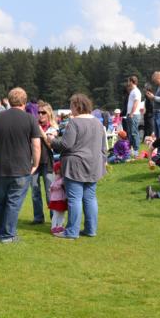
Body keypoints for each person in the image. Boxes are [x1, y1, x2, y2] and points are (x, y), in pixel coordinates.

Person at [47, 93, 107, 239]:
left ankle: (72, 231)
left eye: (71, 106)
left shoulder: (74, 123)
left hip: (75, 167)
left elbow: (66, 145)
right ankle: (90, 229)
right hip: (94, 166)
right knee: (90, 198)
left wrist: (52, 141)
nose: (70, 109)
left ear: (77, 106)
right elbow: (103, 148)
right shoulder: (98, 123)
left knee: (74, 199)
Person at [0, 87, 41, 243]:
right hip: (21, 167)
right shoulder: (30, 119)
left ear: (9, 100)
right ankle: (8, 235)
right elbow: (36, 145)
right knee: (13, 202)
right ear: (24, 101)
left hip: (0, 166)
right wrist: (35, 164)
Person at [30, 103, 58, 225]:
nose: (40, 115)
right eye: (39, 112)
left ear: (49, 114)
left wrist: (40, 130)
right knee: (35, 191)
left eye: (43, 112)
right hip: (33, 162)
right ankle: (38, 217)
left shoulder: (53, 128)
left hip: (47, 162)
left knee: (49, 191)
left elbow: (50, 144)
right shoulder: (33, 126)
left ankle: (54, 218)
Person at [48, 161, 67, 235]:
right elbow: (53, 186)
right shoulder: (58, 178)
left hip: (62, 199)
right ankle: (53, 227)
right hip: (57, 200)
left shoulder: (61, 178)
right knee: (56, 214)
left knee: (61, 213)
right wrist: (62, 181)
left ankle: (60, 226)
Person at [124, 76, 142, 154]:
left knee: (134, 133)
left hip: (134, 114)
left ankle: (136, 151)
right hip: (130, 114)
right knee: (130, 133)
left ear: (132, 82)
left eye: (129, 81)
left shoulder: (136, 91)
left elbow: (136, 102)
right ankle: (130, 150)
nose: (128, 83)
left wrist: (131, 113)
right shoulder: (132, 91)